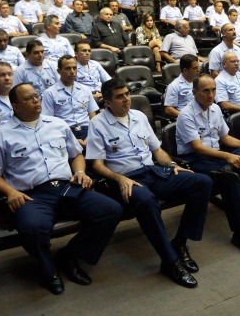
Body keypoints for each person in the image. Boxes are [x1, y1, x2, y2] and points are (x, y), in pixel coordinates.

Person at [0, 83, 122, 294]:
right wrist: (10, 192)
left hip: (66, 187)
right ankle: (49, 271)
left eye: (36, 96)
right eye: (29, 98)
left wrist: (80, 172)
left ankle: (70, 256)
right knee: (33, 229)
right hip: (32, 196)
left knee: (111, 210)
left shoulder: (57, 124)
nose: (36, 100)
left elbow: (76, 155)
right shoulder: (1, 135)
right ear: (15, 106)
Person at [86, 78, 213, 288]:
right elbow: (97, 165)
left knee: (201, 182)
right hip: (127, 180)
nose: (126, 99)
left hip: (153, 172)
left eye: (127, 94)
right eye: (120, 96)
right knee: (147, 202)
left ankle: (179, 243)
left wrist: (172, 164)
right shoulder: (97, 124)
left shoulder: (139, 116)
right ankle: (170, 261)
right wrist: (120, 178)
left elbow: (157, 151)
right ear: (107, 102)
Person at [176, 74, 240, 257]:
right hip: (195, 159)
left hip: (217, 159)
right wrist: (227, 157)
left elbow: (225, 138)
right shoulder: (186, 115)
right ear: (194, 92)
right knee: (229, 180)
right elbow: (198, 148)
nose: (210, 94)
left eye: (213, 90)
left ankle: (227, 170)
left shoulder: (215, 109)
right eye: (205, 90)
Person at [42, 55, 99, 147]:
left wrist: (90, 137)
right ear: (59, 71)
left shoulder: (85, 89)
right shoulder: (49, 93)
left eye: (74, 68)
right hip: (64, 132)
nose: (72, 72)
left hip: (87, 131)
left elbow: (93, 117)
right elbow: (48, 122)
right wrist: (71, 140)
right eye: (67, 68)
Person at [164, 54, 199, 118]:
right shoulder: (174, 86)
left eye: (198, 67)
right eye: (195, 68)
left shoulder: (200, 81)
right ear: (185, 70)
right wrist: (186, 116)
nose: (198, 70)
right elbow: (168, 109)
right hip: (187, 118)